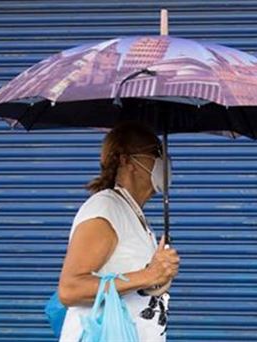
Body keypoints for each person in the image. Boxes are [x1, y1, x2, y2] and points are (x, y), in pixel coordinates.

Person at [57, 121, 180, 341]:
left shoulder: (131, 212)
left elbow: (134, 283)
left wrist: (158, 278)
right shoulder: (106, 210)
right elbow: (70, 289)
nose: (163, 161)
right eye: (155, 152)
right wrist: (147, 275)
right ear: (126, 160)